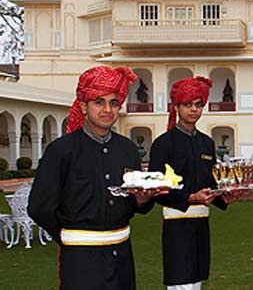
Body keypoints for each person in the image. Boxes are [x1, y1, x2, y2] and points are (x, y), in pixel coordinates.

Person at [28, 66, 160, 290]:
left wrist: (142, 200)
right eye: (99, 102)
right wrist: (72, 237)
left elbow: (133, 202)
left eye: (114, 102)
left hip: (122, 259)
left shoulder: (127, 149)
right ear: (83, 105)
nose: (108, 109)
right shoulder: (62, 150)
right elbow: (40, 207)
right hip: (81, 262)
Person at [149, 76, 236, 290]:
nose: (194, 110)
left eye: (198, 104)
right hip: (177, 224)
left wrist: (225, 196)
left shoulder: (206, 143)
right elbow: (156, 188)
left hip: (201, 225)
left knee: (196, 282)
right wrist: (190, 197)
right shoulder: (163, 144)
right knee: (181, 284)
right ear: (176, 106)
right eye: (188, 104)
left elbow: (210, 182)